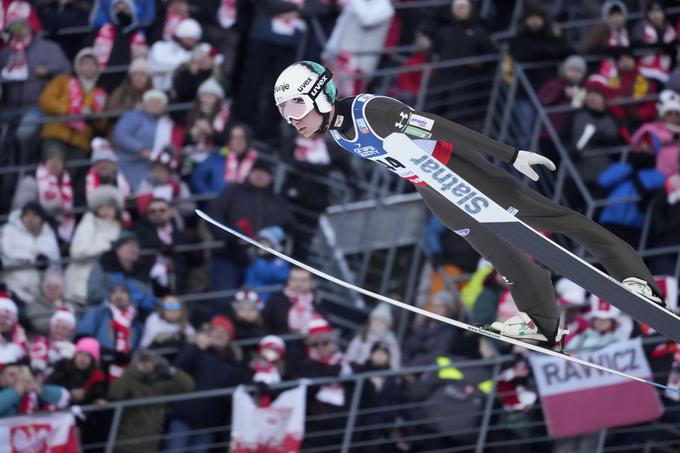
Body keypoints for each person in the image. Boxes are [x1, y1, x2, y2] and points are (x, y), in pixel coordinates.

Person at [273, 60, 671, 347]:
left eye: (295, 107)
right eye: (284, 112)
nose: (293, 119)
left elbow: (441, 128)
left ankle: (636, 278)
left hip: (460, 171)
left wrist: (510, 154)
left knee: (551, 217)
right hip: (432, 190)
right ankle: (543, 323)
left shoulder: (372, 111)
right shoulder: (340, 136)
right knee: (498, 254)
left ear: (321, 94)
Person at [208, 158, 295, 291]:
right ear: (249, 173)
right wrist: (231, 236)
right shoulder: (233, 192)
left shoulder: (277, 201)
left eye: (264, 173)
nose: (260, 175)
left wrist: (273, 236)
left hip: (264, 261)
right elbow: (214, 216)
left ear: (270, 177)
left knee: (259, 302)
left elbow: (289, 226)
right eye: (256, 171)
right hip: (230, 255)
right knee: (224, 297)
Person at [167, 315, 251, 452]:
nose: (219, 335)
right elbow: (178, 367)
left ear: (230, 338)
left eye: (224, 333)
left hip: (208, 423)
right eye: (216, 331)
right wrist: (196, 347)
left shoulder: (234, 364)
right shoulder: (196, 350)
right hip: (183, 416)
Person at [108, 349, 194, 453]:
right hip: (127, 445)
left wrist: (170, 370)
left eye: (150, 361)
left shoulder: (162, 385)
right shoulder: (130, 380)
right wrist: (133, 371)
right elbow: (114, 394)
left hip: (151, 446)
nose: (147, 365)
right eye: (144, 361)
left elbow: (188, 386)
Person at [64, 185, 124, 305]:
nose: (106, 211)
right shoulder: (89, 221)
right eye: (102, 207)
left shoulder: (119, 228)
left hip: (104, 287)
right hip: (79, 285)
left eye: (110, 207)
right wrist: (107, 248)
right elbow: (78, 252)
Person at [76, 284, 143, 380]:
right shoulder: (98, 312)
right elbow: (84, 335)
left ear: (129, 296)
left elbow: (139, 341)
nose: (118, 296)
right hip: (101, 360)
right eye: (114, 292)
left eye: (122, 292)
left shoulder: (135, 317)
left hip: (126, 362)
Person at [0, 202, 61, 305]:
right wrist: (32, 260)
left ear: (41, 218)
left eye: (35, 216)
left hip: (39, 293)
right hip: (11, 287)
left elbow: (55, 264)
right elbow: (5, 256)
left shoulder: (48, 234)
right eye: (27, 215)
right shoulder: (8, 231)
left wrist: (44, 263)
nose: (30, 219)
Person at [86, 231, 155, 310]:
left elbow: (150, 298)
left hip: (137, 316)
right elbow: (93, 292)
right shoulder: (103, 266)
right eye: (129, 245)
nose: (133, 248)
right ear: (117, 249)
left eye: (136, 246)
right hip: (105, 313)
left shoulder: (143, 271)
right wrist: (114, 298)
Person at [190, 123, 258, 195]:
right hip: (217, 202)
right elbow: (197, 179)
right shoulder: (217, 156)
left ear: (248, 141)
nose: (237, 142)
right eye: (233, 138)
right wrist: (211, 197)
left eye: (241, 138)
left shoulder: (257, 160)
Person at [345, 302, 401, 370]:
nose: (378, 323)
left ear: (387, 324)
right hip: (359, 370)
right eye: (376, 320)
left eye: (381, 321)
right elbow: (350, 354)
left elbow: (394, 363)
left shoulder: (390, 341)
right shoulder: (363, 335)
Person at [0, 363, 69, 416]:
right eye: (11, 375)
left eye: (20, 373)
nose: (17, 377)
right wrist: (15, 392)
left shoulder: (31, 392)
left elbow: (64, 397)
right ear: (2, 378)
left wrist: (42, 390)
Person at [243, 226, 290, 302]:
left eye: (265, 242)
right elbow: (249, 280)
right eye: (259, 242)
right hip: (254, 298)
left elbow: (279, 277)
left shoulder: (281, 261)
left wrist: (258, 263)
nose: (261, 245)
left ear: (273, 245)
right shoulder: (255, 260)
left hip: (272, 299)